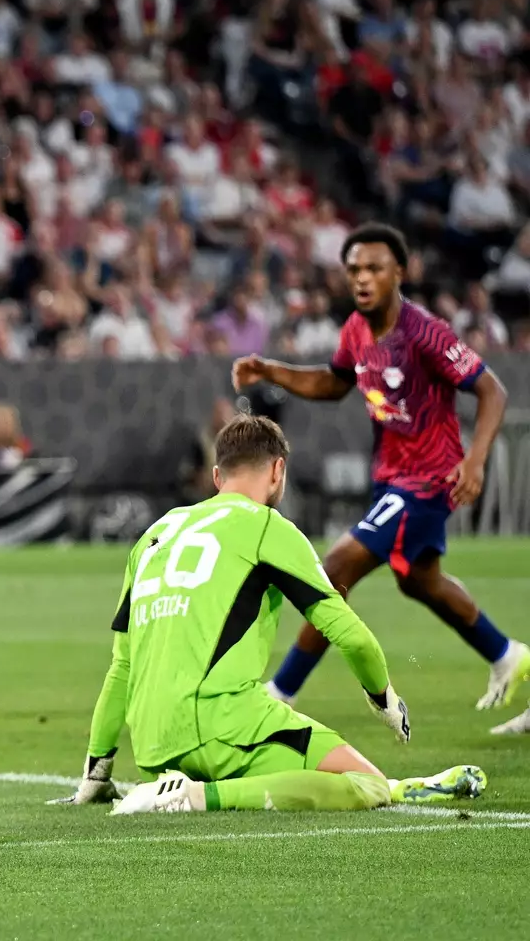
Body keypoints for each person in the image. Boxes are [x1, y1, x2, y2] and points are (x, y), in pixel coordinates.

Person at [59, 414, 485, 814]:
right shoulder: (267, 526)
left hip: (156, 745)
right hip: (225, 726)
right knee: (362, 783)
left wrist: (96, 773)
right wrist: (384, 700)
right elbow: (350, 635)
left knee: (355, 779)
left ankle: (401, 785)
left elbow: (122, 668)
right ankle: (199, 795)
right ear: (278, 471)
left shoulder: (154, 534)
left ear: (216, 476)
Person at [231, 224, 525, 730]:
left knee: (336, 568)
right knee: (420, 582)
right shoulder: (356, 330)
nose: (362, 279)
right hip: (392, 479)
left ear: (400, 273)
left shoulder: (424, 332)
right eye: (354, 270)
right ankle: (508, 656)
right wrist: (273, 371)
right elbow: (332, 382)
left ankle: (279, 695)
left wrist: (474, 461)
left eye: (374, 269)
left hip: (429, 479)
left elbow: (492, 390)